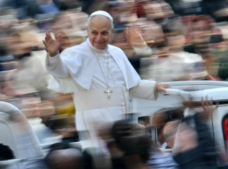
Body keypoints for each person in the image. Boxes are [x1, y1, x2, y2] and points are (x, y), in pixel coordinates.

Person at [43, 10, 170, 159]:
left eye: (104, 33)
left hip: (122, 121)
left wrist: (154, 86)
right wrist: (53, 55)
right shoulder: (74, 53)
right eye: (94, 33)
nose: (98, 38)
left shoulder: (117, 53)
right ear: (87, 31)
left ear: (111, 32)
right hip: (94, 123)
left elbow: (131, 86)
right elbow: (61, 71)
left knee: (130, 159)